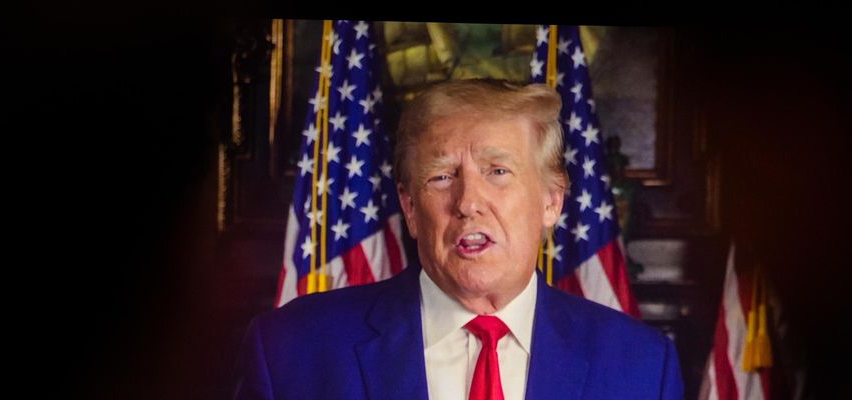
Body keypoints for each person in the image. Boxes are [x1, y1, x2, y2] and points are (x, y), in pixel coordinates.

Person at [234, 79, 682, 400]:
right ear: (409, 208)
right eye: (443, 176)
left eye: (498, 172)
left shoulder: (641, 367)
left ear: (551, 201)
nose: (468, 202)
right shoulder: (291, 349)